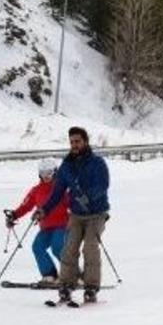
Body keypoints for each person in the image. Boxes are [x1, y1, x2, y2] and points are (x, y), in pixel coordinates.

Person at [37, 126, 110, 303]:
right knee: (69, 249)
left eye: (77, 141)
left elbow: (103, 185)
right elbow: (57, 192)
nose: (74, 145)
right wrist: (44, 209)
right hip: (76, 215)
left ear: (85, 142)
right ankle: (66, 285)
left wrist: (88, 197)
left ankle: (91, 287)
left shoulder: (97, 163)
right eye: (71, 142)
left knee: (90, 247)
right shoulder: (66, 166)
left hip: (96, 214)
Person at [4, 158, 68, 286]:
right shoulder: (36, 190)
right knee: (37, 247)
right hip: (46, 227)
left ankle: (73, 273)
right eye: (43, 173)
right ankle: (49, 275)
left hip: (62, 225)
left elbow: (73, 203)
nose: (46, 176)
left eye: (49, 173)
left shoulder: (63, 189)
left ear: (55, 172)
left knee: (57, 247)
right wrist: (14, 215)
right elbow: (26, 206)